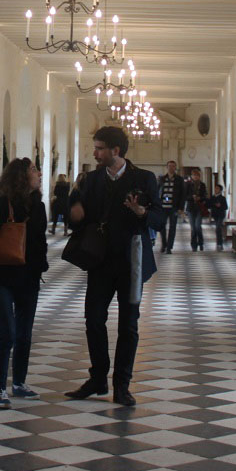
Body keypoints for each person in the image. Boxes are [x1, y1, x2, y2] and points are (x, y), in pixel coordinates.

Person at [66, 126, 159, 407]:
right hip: (100, 262)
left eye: (99, 148)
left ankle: (122, 385)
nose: (94, 153)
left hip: (132, 262)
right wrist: (74, 214)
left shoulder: (143, 178)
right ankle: (98, 379)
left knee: (129, 326)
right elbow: (76, 212)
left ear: (115, 151)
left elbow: (161, 217)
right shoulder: (91, 180)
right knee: (94, 320)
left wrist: (143, 212)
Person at [0, 158, 50, 408]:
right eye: (33, 170)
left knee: (24, 335)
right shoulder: (2, 204)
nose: (39, 173)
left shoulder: (38, 206)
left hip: (28, 278)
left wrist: (40, 268)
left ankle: (18, 383)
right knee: (6, 334)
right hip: (1, 277)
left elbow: (39, 241)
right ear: (21, 176)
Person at [157, 160, 185, 253]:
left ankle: (169, 247)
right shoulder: (161, 178)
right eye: (169, 166)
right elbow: (157, 192)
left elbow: (182, 194)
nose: (171, 168)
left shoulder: (179, 179)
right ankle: (164, 244)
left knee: (172, 227)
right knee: (162, 226)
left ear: (175, 167)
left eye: (173, 166)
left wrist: (181, 208)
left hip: (174, 207)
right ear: (167, 167)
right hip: (163, 206)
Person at [184, 168, 208, 250]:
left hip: (199, 208)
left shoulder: (202, 185)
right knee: (193, 228)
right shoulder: (187, 184)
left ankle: (200, 243)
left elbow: (205, 196)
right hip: (190, 208)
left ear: (199, 176)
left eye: (197, 175)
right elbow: (185, 196)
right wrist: (191, 197)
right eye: (194, 175)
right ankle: (193, 245)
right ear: (191, 176)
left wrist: (200, 198)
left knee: (198, 226)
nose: (195, 177)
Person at [207, 184, 229, 249]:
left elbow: (226, 207)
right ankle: (219, 241)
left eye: (217, 188)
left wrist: (220, 206)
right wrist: (214, 204)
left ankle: (220, 242)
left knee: (218, 227)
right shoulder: (212, 197)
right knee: (217, 228)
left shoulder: (223, 198)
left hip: (221, 214)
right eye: (215, 188)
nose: (216, 189)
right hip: (215, 214)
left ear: (220, 190)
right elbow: (209, 205)